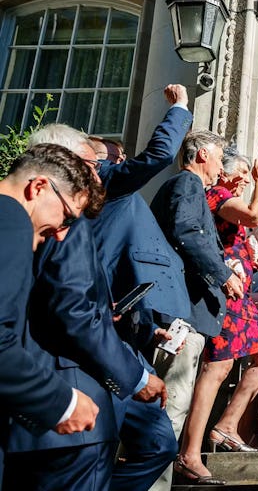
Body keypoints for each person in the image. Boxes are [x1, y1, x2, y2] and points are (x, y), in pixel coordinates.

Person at [5, 128, 169, 491]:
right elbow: (71, 314)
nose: (97, 175)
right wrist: (62, 401)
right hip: (67, 406)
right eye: (91, 165)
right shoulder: (37, 222)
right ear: (50, 175)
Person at [88, 85, 195, 491]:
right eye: (114, 159)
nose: (123, 163)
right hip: (107, 334)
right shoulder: (105, 182)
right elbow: (159, 155)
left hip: (131, 324)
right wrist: (180, 108)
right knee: (115, 440)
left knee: (154, 442)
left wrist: (151, 326)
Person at [176, 150, 258, 481]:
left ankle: (225, 425)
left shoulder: (223, 196)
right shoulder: (216, 193)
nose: (244, 180)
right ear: (223, 173)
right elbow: (254, 216)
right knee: (217, 367)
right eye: (240, 174)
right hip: (224, 296)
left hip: (238, 295)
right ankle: (189, 453)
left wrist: (250, 260)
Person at [0, 144, 102, 483]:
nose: (62, 232)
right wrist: (62, 401)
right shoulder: (11, 219)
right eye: (67, 216)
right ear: (39, 187)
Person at [151, 130, 243, 485]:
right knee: (172, 406)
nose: (222, 166)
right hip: (181, 314)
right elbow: (187, 231)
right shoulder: (188, 184)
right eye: (220, 157)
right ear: (203, 154)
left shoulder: (188, 188)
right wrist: (222, 274)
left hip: (185, 312)